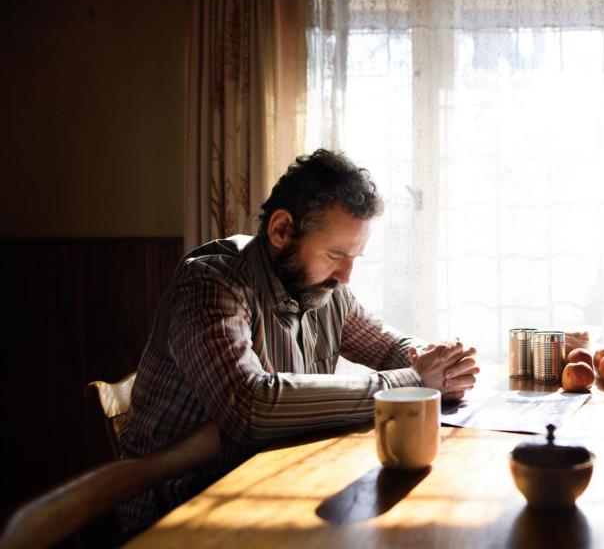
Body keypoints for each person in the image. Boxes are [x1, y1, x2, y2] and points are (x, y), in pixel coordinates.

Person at [118, 149, 479, 532]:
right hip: (179, 511)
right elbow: (249, 404)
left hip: (265, 484)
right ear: (281, 230)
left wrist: (433, 361)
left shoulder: (324, 287)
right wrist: (414, 381)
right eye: (335, 255)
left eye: (355, 257)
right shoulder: (211, 283)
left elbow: (389, 347)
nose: (346, 275)